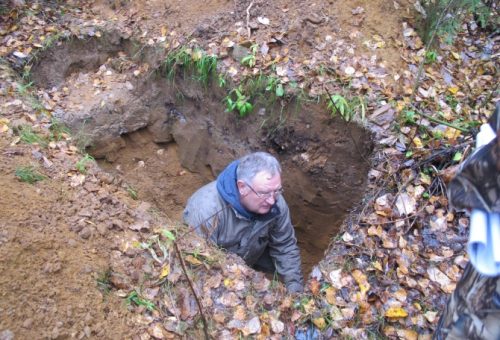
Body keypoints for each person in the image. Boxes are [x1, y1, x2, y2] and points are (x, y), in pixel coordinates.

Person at [183, 151, 304, 293]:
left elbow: (285, 246)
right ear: (242, 187)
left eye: (277, 191)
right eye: (264, 193)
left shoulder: (275, 203)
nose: (272, 200)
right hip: (218, 269)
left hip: (252, 257)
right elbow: (198, 267)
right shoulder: (206, 210)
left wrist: (295, 290)